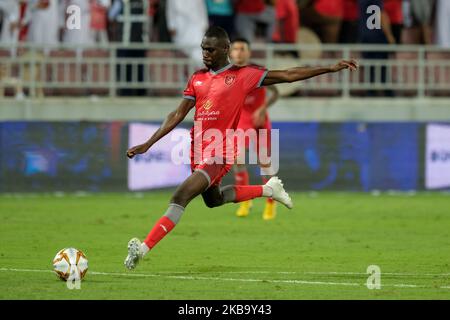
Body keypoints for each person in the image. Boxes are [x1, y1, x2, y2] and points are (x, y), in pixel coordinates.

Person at [123, 26, 358, 270]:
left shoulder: (243, 75)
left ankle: (142, 249)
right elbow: (177, 114)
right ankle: (268, 190)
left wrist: (329, 68)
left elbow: (288, 74)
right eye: (203, 48)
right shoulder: (197, 78)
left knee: (180, 196)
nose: (205, 53)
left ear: (225, 49)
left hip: (220, 151)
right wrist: (148, 143)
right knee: (214, 200)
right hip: (198, 150)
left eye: (211, 49)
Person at [229, 38, 280, 220]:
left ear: (249, 53)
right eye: (235, 48)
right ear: (230, 53)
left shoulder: (258, 72)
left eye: (242, 49)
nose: (239, 52)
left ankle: (270, 203)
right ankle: (245, 201)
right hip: (241, 121)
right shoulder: (227, 75)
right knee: (238, 159)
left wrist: (263, 108)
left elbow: (275, 92)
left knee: (265, 163)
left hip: (259, 120)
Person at [166, 0, 208, 67]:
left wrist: (204, 24)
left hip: (196, 28)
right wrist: (171, 26)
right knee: (182, 56)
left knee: (197, 55)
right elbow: (170, 11)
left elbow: (201, 9)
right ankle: (183, 76)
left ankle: (197, 75)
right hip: (180, 28)